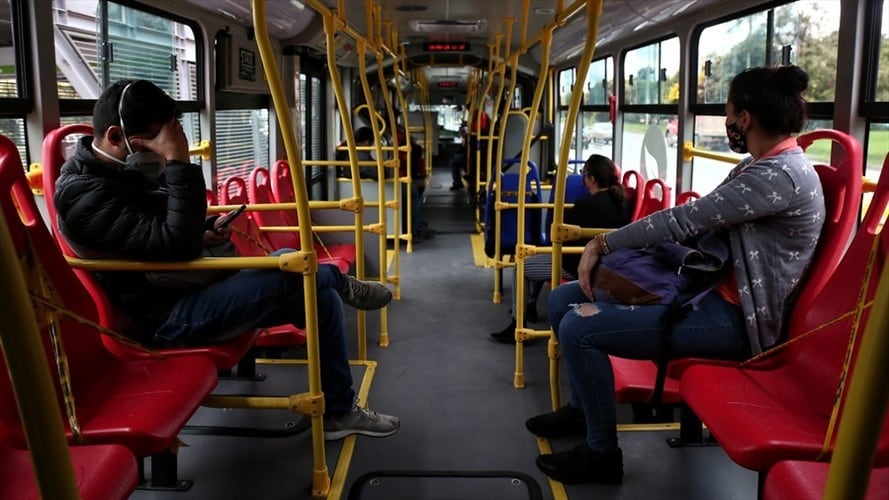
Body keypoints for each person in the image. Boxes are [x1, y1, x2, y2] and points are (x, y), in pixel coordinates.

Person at [54, 79, 400, 441]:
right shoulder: (83, 196)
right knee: (292, 273)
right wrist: (179, 163)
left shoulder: (121, 173)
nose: (161, 156)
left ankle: (339, 411)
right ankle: (339, 280)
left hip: (185, 290)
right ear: (115, 137)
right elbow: (173, 245)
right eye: (156, 145)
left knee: (313, 288)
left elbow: (156, 237)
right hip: (163, 319)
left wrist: (203, 230)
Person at [526, 65, 824, 484]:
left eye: (729, 113)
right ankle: (583, 410)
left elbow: (687, 219)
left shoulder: (778, 176)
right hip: (704, 290)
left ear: (745, 118)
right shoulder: (762, 168)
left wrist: (603, 243)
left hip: (734, 319)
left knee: (578, 328)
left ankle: (602, 455)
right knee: (562, 299)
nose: (729, 123)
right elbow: (698, 226)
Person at [489, 154, 629, 343]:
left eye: (583, 174)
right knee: (538, 256)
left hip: (577, 266)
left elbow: (562, 241)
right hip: (605, 264)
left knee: (521, 265)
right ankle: (529, 304)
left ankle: (517, 322)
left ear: (591, 179)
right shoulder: (621, 204)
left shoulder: (584, 205)